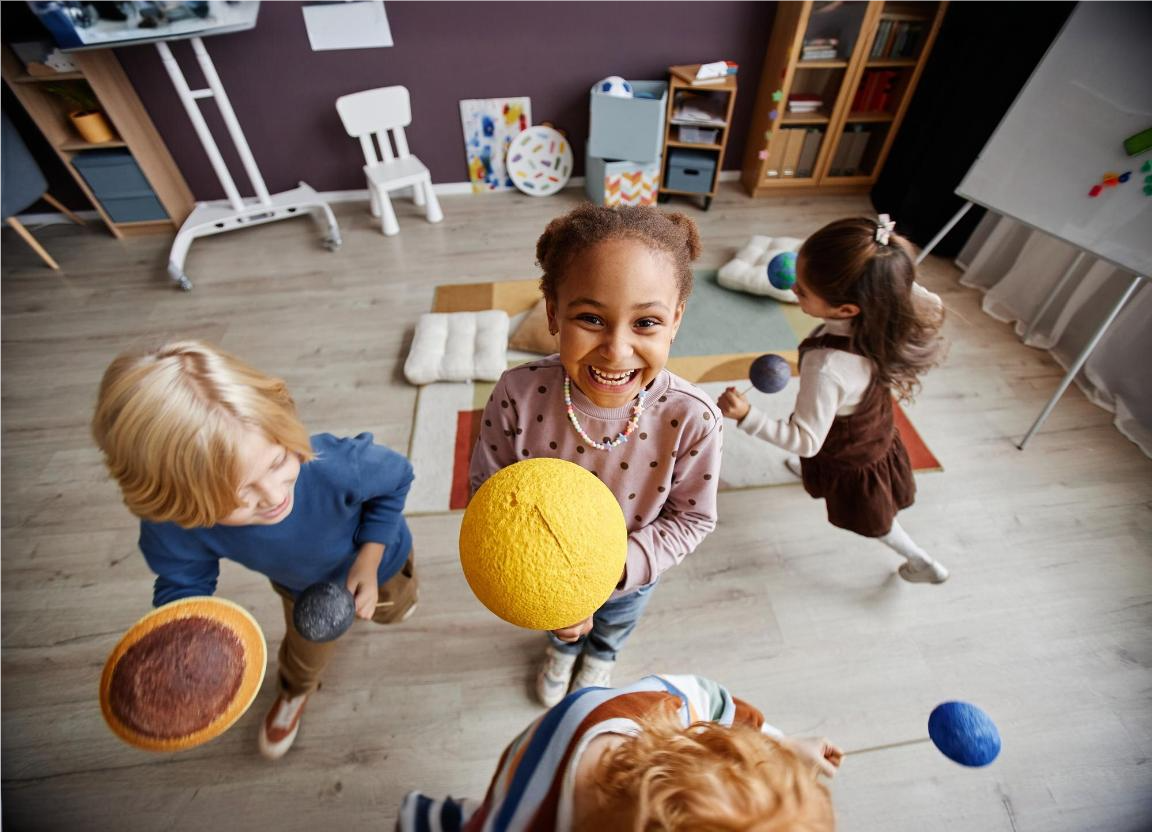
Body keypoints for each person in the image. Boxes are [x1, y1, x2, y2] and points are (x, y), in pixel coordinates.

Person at [91, 340, 418, 759]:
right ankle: (294, 691)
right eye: (239, 494)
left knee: (394, 605)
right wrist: (181, 656)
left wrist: (369, 562)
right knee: (303, 652)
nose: (272, 496)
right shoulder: (179, 524)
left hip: (385, 560)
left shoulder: (337, 464)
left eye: (278, 461)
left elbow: (397, 479)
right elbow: (182, 583)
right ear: (183, 507)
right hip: (299, 588)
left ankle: (397, 604)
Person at [470, 204, 723, 706]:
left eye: (646, 322)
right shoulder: (517, 393)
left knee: (615, 623)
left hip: (630, 572)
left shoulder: (693, 418)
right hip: (541, 572)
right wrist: (551, 587)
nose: (615, 348)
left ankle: (602, 656)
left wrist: (610, 573)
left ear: (675, 322)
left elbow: (692, 519)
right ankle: (563, 649)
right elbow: (488, 490)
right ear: (551, 313)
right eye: (590, 318)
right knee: (561, 626)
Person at [718, 215, 949, 584]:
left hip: (852, 457)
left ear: (846, 310)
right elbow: (931, 301)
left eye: (803, 291)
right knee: (820, 426)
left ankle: (920, 560)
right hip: (870, 425)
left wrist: (747, 415)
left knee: (876, 522)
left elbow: (807, 441)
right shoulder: (884, 308)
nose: (794, 289)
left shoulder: (827, 368)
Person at [396, 674, 841, 831]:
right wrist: (777, 742)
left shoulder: (665, 707)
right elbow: (718, 703)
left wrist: (778, 745)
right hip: (518, 789)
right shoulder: (520, 823)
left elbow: (714, 705)